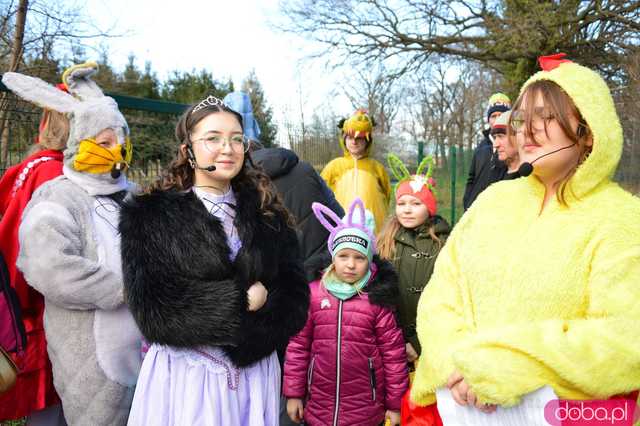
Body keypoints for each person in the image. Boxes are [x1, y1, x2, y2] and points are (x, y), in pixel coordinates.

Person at [411, 54, 640, 420]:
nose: (527, 130)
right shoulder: (492, 203)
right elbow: (440, 297)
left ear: (589, 132)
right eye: (521, 118)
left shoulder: (622, 219)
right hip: (459, 410)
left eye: (546, 116)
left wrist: (509, 364)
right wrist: (460, 365)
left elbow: (627, 337)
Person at [119, 95, 309, 426]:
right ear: (187, 150)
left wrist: (266, 321)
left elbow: (294, 291)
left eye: (237, 139)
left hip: (254, 372)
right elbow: (153, 309)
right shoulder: (149, 214)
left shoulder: (267, 212)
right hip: (189, 377)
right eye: (213, 139)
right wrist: (240, 302)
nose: (228, 148)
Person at [5, 62, 142, 425]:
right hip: (87, 350)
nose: (117, 151)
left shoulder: (134, 197)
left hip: (144, 347)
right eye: (105, 142)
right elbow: (48, 264)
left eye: (121, 141)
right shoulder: (56, 191)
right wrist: (129, 287)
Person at [283, 198, 409, 426]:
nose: (350, 265)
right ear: (333, 257)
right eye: (343, 256)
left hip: (366, 410)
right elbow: (298, 346)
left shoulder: (377, 299)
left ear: (369, 260)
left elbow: (393, 355)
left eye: (359, 257)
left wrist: (395, 405)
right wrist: (294, 394)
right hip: (319, 406)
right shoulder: (314, 294)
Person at [0, 87, 69, 424]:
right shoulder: (55, 173)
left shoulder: (32, 165)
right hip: (40, 301)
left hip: (18, 292)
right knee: (53, 398)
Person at [378, 155, 450, 365]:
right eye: (401, 203)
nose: (407, 209)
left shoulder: (444, 243)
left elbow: (446, 295)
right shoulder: (386, 240)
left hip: (431, 340)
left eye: (416, 203)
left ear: (429, 208)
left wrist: (417, 342)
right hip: (391, 338)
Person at [320, 109, 391, 233]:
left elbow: (387, 195)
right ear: (344, 139)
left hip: (374, 229)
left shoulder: (377, 168)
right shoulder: (334, 166)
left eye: (359, 138)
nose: (354, 141)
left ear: (367, 141)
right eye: (350, 137)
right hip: (343, 227)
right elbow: (320, 192)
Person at [463, 93, 511, 210]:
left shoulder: (514, 147)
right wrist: (467, 203)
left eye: (502, 115)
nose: (497, 119)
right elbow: (471, 178)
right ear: (488, 119)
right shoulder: (481, 147)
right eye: (493, 116)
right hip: (474, 210)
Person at [490, 111, 521, 180]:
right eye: (495, 137)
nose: (495, 145)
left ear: (520, 137)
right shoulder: (495, 172)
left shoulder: (535, 178)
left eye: (501, 136)